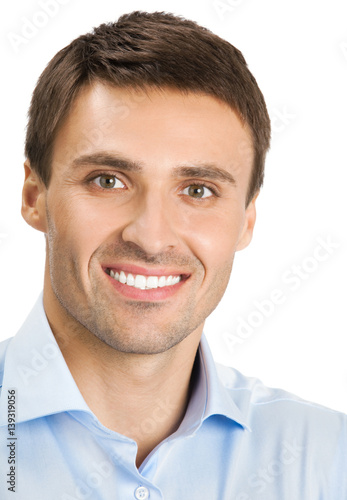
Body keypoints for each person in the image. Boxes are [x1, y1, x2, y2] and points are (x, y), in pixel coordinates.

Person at [0, 10, 345, 499]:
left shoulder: (329, 459)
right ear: (35, 196)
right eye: (108, 181)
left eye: (198, 190)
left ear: (247, 220)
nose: (152, 236)